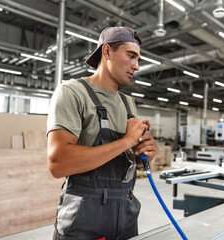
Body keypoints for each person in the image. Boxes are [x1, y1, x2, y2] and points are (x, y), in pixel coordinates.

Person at [47, 26, 159, 240]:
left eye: (138, 59)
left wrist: (140, 155)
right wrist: (126, 141)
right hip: (84, 217)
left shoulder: (128, 104)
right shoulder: (72, 92)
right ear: (106, 51)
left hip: (125, 213)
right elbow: (58, 163)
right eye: (131, 56)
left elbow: (120, 158)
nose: (136, 66)